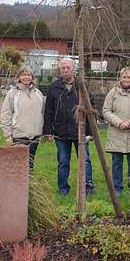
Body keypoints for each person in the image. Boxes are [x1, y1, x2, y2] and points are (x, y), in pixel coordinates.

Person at [42, 58, 94, 196]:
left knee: (85, 160)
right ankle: (63, 188)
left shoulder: (82, 86)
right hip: (61, 132)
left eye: (68, 68)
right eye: (63, 68)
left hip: (80, 131)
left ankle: (88, 187)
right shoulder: (54, 87)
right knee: (63, 162)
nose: (65, 70)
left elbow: (90, 109)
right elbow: (48, 111)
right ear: (60, 70)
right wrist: (48, 131)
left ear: (73, 69)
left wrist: (90, 132)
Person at [102, 67, 130, 195]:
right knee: (117, 163)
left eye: (129, 77)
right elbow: (106, 111)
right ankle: (117, 189)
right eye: (124, 77)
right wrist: (119, 123)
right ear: (120, 78)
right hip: (116, 134)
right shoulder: (113, 93)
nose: (126, 80)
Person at [0, 66, 45, 172]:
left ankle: (28, 187)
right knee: (18, 166)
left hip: (35, 136)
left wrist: (42, 132)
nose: (26, 77)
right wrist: (7, 135)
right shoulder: (12, 93)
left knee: (30, 165)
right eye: (23, 75)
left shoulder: (38, 93)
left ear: (32, 77)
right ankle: (17, 188)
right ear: (19, 77)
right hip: (19, 136)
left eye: (29, 75)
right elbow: (5, 115)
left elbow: (42, 113)